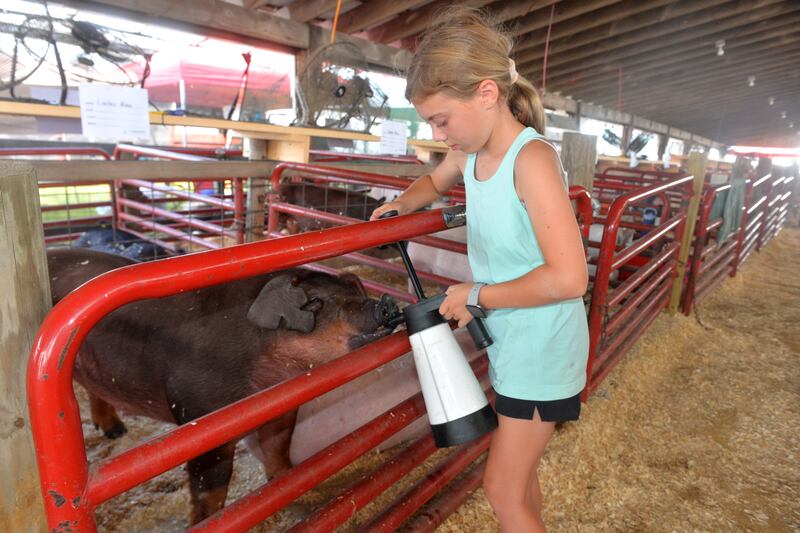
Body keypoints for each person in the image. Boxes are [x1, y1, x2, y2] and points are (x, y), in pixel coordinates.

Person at [370, 8, 590, 532]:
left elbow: (569, 278)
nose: (438, 132)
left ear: (487, 94)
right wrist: (401, 205)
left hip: (542, 345)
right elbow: (433, 182)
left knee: (501, 490)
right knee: (522, 482)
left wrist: (477, 294)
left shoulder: (529, 159)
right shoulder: (470, 152)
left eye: (441, 120)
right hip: (514, 338)